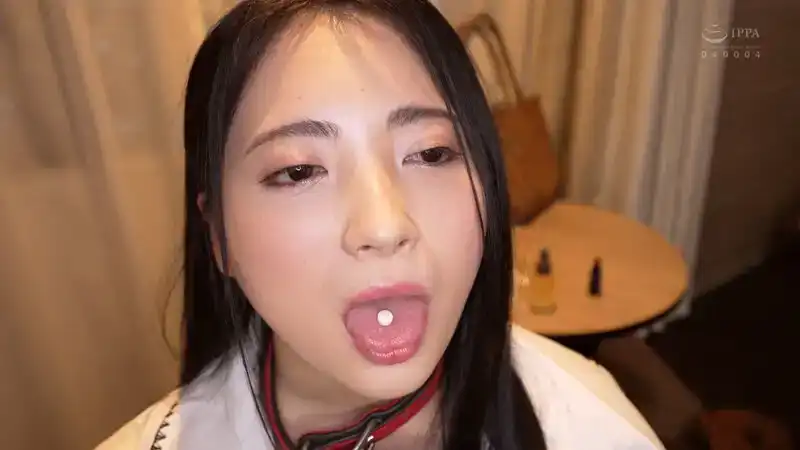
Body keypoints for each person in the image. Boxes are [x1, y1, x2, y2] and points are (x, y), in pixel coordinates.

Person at [97, 1, 663, 449]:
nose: (385, 225)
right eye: (299, 171)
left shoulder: (591, 423)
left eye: (432, 153)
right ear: (218, 235)